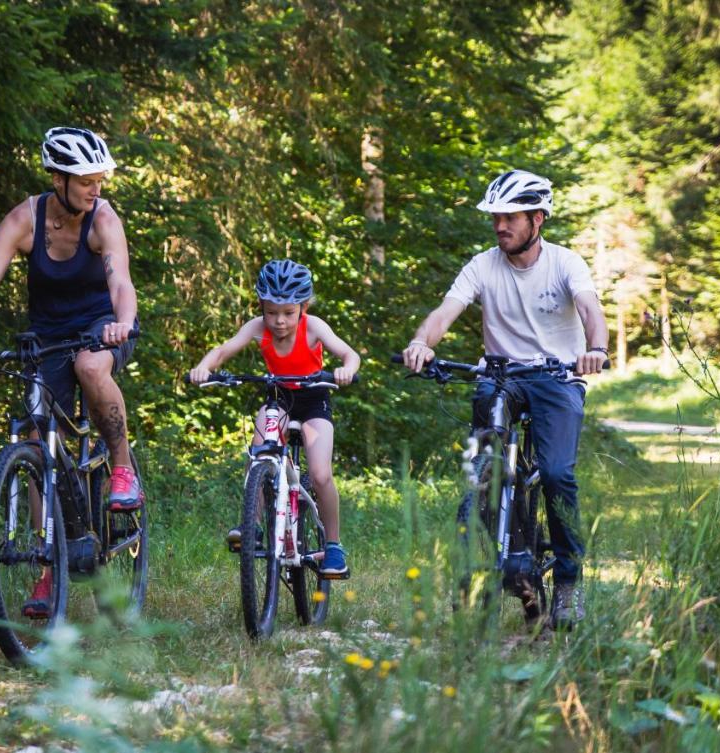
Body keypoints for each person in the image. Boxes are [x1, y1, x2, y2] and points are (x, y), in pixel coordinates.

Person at [0, 127, 141, 616]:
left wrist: (123, 325)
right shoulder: (25, 220)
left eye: (100, 178)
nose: (96, 188)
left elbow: (121, 282)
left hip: (101, 328)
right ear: (58, 178)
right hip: (47, 336)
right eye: (86, 179)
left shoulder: (104, 219)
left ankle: (122, 466)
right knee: (41, 440)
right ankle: (48, 574)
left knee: (90, 367)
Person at [399, 169, 608, 625]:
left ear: (538, 219)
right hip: (500, 376)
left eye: (511, 217)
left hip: (558, 377)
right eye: (496, 217)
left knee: (556, 474)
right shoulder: (482, 265)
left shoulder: (565, 262)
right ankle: (509, 547)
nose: (500, 226)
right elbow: (445, 312)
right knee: (487, 469)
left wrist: (595, 350)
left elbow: (592, 310)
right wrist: (423, 343)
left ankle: (569, 582)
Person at [189, 260, 360, 579]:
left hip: (313, 399)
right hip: (278, 398)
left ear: (303, 307)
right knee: (259, 453)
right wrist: (204, 367)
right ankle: (251, 525)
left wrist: (346, 369)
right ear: (261, 307)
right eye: (271, 312)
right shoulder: (257, 327)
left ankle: (334, 546)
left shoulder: (314, 327)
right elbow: (224, 351)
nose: (279, 321)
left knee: (321, 474)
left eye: (287, 313)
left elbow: (349, 354)